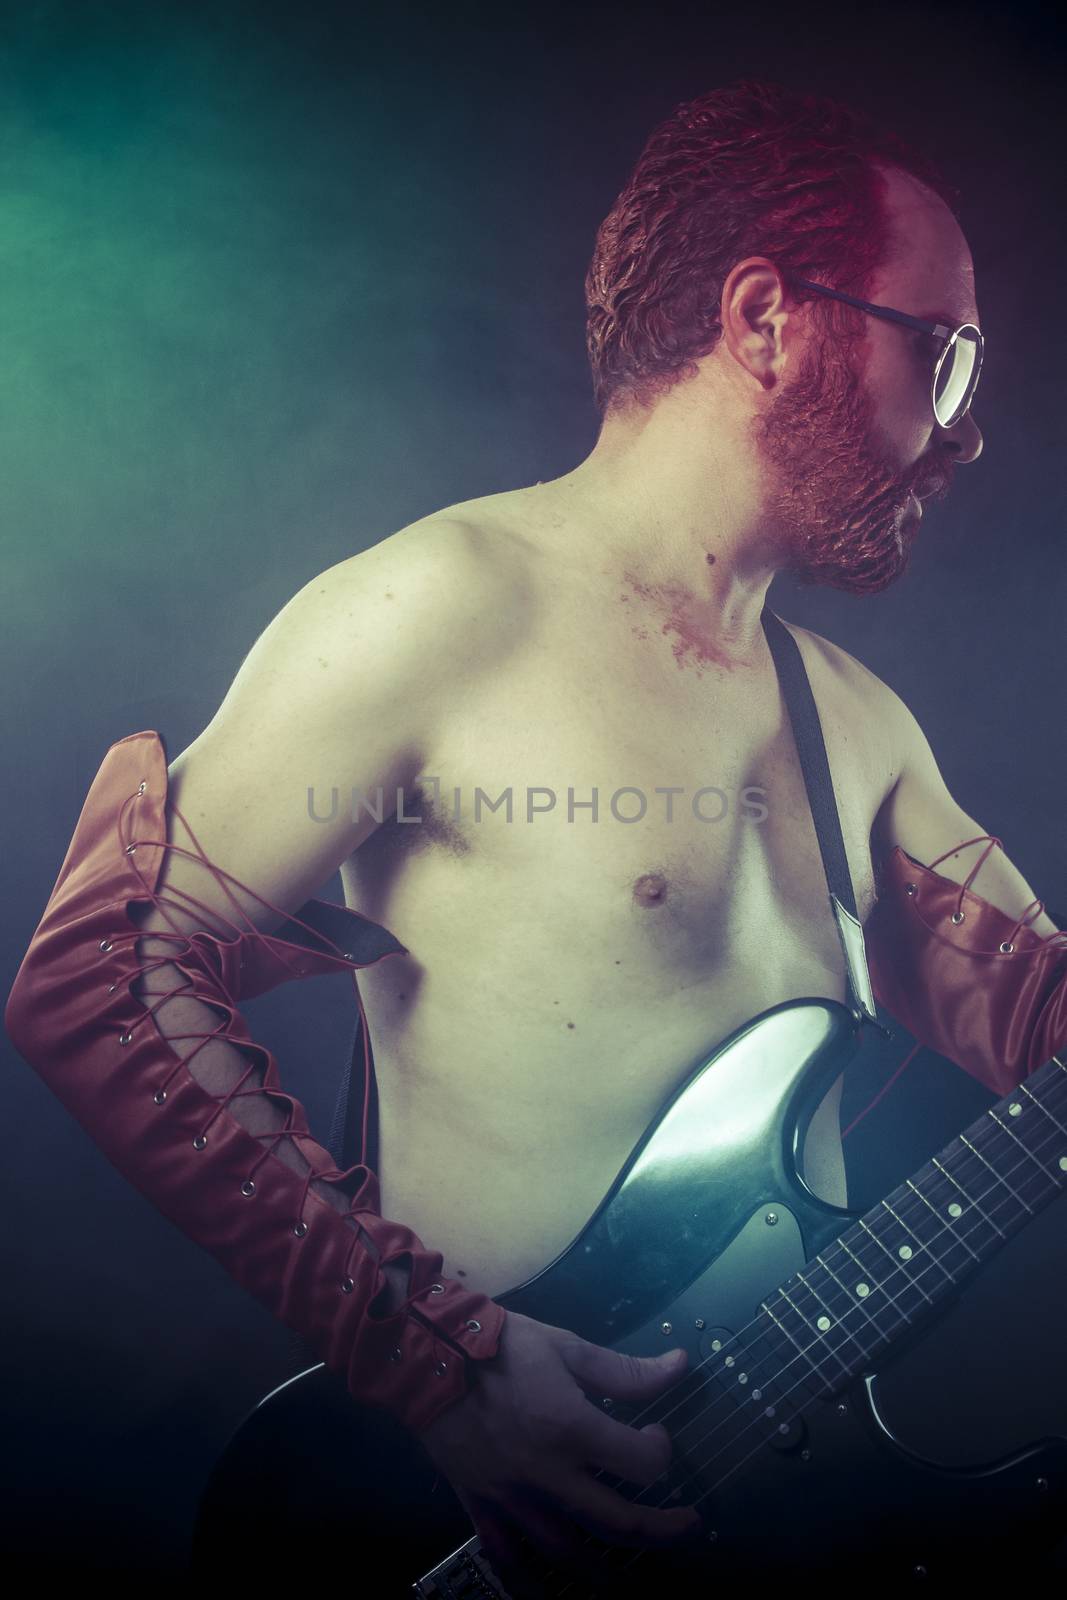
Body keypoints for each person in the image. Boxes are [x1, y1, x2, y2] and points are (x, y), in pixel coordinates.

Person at [7, 77, 1067, 1592]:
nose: (963, 435)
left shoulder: (859, 724)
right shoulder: (445, 607)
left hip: (768, 1522)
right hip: (475, 1538)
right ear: (768, 317)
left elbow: (1048, 1031)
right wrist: (443, 1366)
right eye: (943, 356)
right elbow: (103, 975)